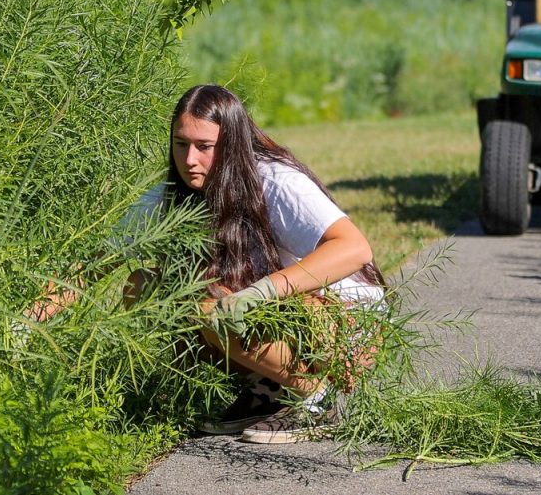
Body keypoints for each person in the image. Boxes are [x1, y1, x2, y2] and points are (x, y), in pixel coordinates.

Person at [28, 84, 385, 444]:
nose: (189, 160)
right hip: (276, 314)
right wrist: (25, 325)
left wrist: (262, 292)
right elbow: (92, 267)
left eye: (204, 147)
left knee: (207, 304)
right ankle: (265, 388)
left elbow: (355, 248)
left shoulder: (274, 182)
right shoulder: (168, 197)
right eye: (181, 144)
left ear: (230, 144)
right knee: (143, 284)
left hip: (344, 326)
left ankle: (315, 396)